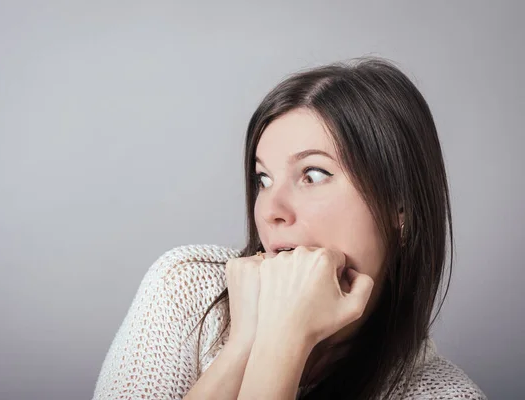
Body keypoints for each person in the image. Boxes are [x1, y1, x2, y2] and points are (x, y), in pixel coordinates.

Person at [92, 57, 487, 399]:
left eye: (313, 174)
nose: (270, 210)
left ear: (400, 208)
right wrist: (244, 344)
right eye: (263, 179)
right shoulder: (186, 287)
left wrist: (283, 340)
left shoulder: (443, 393)